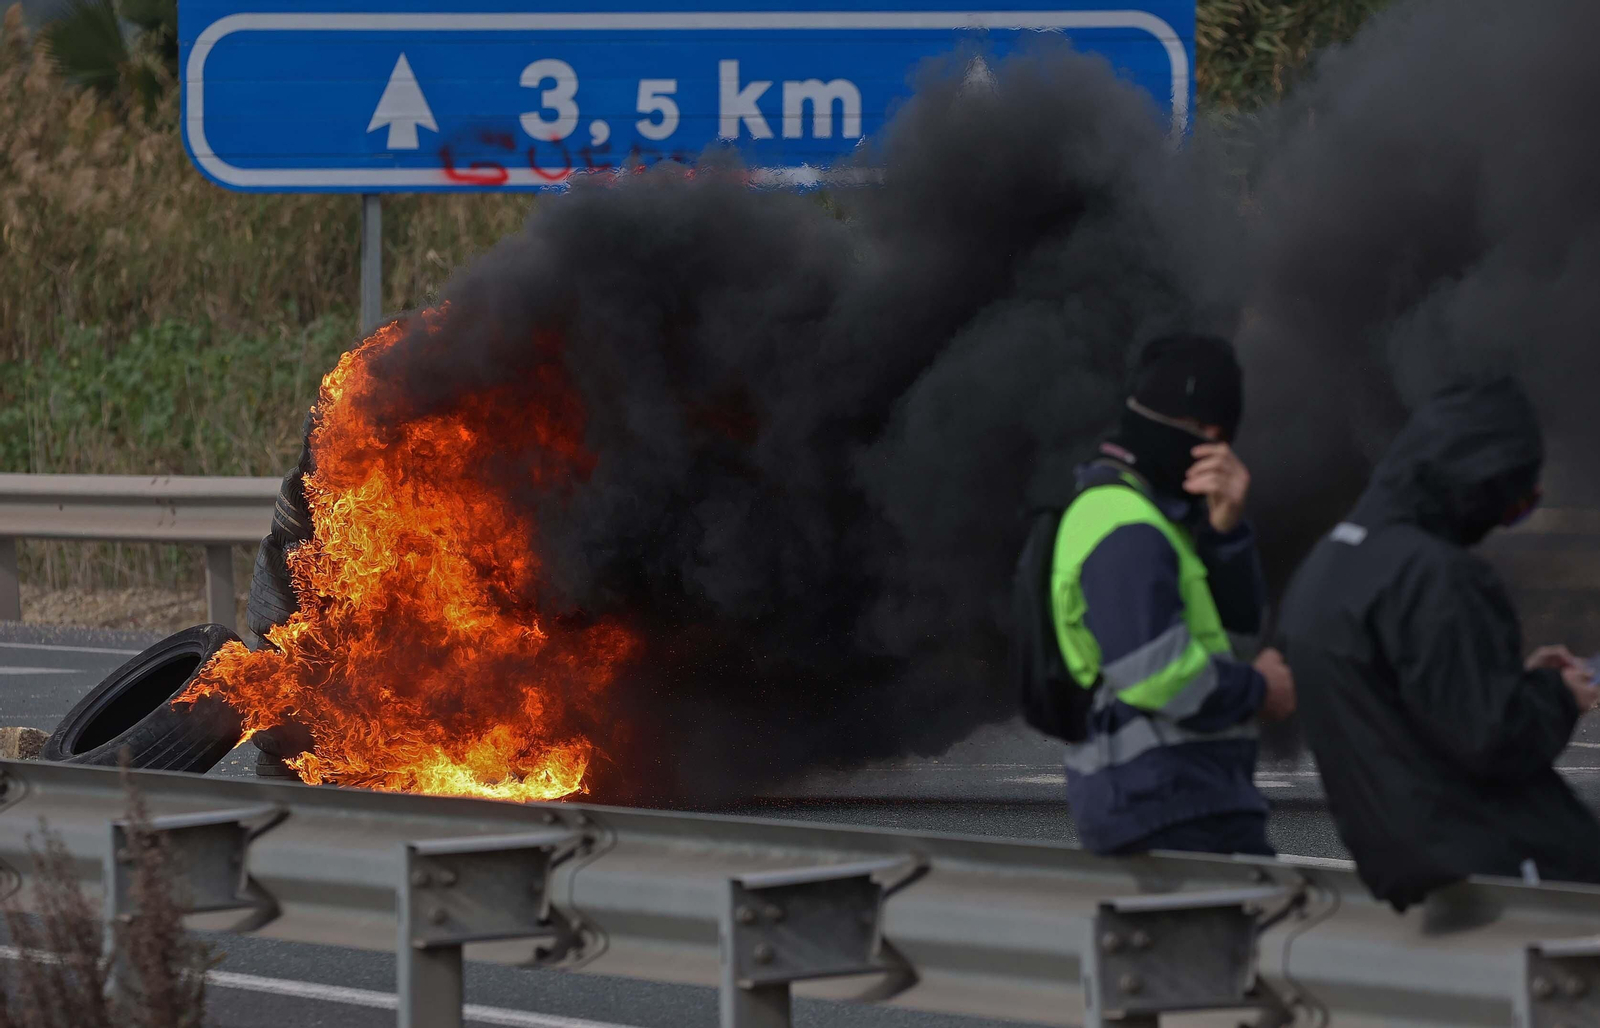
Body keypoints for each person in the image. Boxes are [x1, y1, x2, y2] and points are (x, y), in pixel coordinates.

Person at [1278, 378, 1600, 910]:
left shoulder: (1327, 566)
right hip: (1503, 865)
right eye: (1514, 497)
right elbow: (1493, 738)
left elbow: (1421, 705)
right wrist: (1558, 695)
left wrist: (1511, 678)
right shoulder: (1437, 577)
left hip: (1404, 866)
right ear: (1481, 480)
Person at [1054, 333, 1296, 857]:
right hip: (1161, 805)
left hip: (1188, 801)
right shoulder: (1124, 523)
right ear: (1210, 433)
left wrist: (1225, 534)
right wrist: (1258, 690)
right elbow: (1154, 672)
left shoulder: (1160, 523)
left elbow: (1229, 644)